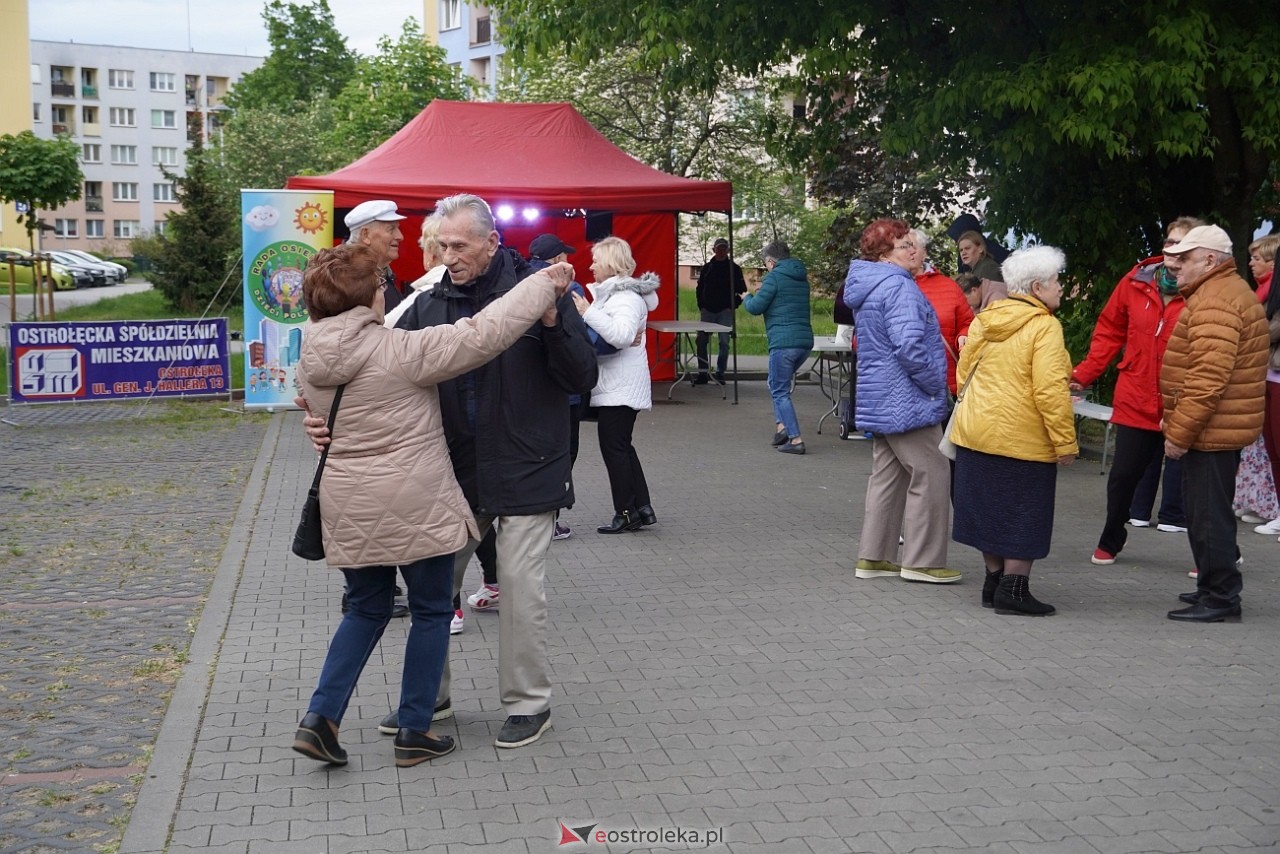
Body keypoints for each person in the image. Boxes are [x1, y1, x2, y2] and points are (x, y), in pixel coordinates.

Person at [304, 194, 598, 748]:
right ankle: (427, 701)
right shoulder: (427, 302)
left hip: (528, 466)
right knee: (434, 594)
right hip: (454, 473)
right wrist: (320, 424)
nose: (447, 254)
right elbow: (364, 374)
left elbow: (582, 378)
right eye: (441, 244)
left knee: (519, 589)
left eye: (459, 245)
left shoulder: (545, 290)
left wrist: (557, 324)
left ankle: (528, 703)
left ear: (492, 241)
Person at [949, 246, 1078, 615]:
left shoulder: (986, 319)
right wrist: (1065, 443)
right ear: (1037, 287)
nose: (1060, 288)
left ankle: (994, 581)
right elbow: (1050, 390)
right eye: (1055, 281)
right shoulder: (1044, 327)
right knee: (1024, 513)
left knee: (986, 511)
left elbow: (962, 375)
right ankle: (1014, 590)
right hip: (1023, 440)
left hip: (976, 434)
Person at [1072, 217, 1201, 566]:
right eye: (1170, 243)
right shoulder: (1135, 281)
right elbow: (1109, 330)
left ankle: (1215, 553)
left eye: (1183, 246)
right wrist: (1084, 374)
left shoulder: (1206, 289)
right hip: (1135, 397)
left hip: (1185, 402)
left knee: (1201, 483)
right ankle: (1111, 538)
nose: (1174, 252)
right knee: (1123, 476)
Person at [1160, 224, 1268, 622]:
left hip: (1211, 429)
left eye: (1185, 257)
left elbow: (1207, 379)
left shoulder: (1216, 300)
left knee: (1208, 516)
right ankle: (1212, 585)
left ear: (1209, 259)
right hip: (1217, 426)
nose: (1176, 264)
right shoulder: (1221, 292)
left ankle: (1221, 597)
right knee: (1206, 512)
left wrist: (1179, 433)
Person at [843, 219, 959, 584]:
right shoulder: (900, 288)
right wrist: (933, 386)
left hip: (881, 396)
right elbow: (910, 348)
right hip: (907, 398)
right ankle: (922, 561)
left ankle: (873, 556)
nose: (914, 250)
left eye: (913, 244)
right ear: (883, 254)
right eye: (904, 245)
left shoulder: (872, 285)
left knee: (888, 475)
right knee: (933, 471)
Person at [571, 236, 660, 533]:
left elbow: (621, 336)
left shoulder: (625, 298)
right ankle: (641, 507)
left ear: (610, 262)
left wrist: (588, 313)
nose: (591, 265)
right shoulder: (613, 296)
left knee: (614, 449)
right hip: (617, 383)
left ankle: (625, 512)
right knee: (621, 446)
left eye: (596, 260)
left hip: (621, 385)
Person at [527, 233, 588, 542]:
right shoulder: (570, 289)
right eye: (564, 255)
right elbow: (583, 341)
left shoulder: (517, 284)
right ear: (555, 259)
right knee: (563, 453)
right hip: (564, 390)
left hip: (528, 387)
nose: (567, 260)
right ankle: (549, 519)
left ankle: (534, 518)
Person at [742, 240, 814, 453]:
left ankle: (795, 439)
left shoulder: (773, 278)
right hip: (804, 342)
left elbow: (756, 307)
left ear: (771, 262)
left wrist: (748, 297)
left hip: (783, 342)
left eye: (766, 264)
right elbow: (785, 300)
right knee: (776, 384)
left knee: (780, 390)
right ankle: (781, 427)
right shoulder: (801, 278)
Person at [1236, 234, 1280, 535]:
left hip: (1275, 371)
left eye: (1257, 258)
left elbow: (1269, 327)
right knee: (1270, 448)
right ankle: (1272, 506)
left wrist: (1251, 330)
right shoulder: (1265, 290)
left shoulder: (1272, 291)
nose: (1250, 263)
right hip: (1267, 372)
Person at [907, 229, 973, 395]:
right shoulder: (884, 288)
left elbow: (968, 323)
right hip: (900, 391)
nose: (909, 252)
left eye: (914, 246)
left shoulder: (949, 287)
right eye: (902, 247)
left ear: (925, 253)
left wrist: (964, 336)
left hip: (944, 387)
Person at [694, 237, 746, 385]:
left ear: (727, 250)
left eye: (724, 248)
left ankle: (720, 373)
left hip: (725, 311)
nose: (721, 251)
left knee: (724, 342)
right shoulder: (707, 268)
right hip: (707, 311)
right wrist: (701, 305)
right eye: (719, 248)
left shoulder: (734, 269)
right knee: (701, 341)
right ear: (714, 250)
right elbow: (699, 288)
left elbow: (742, 291)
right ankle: (703, 373)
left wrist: (733, 306)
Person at [344, 199, 406, 313]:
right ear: (365, 235)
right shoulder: (345, 279)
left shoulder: (381, 273)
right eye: (391, 229)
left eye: (398, 228)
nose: (400, 236)